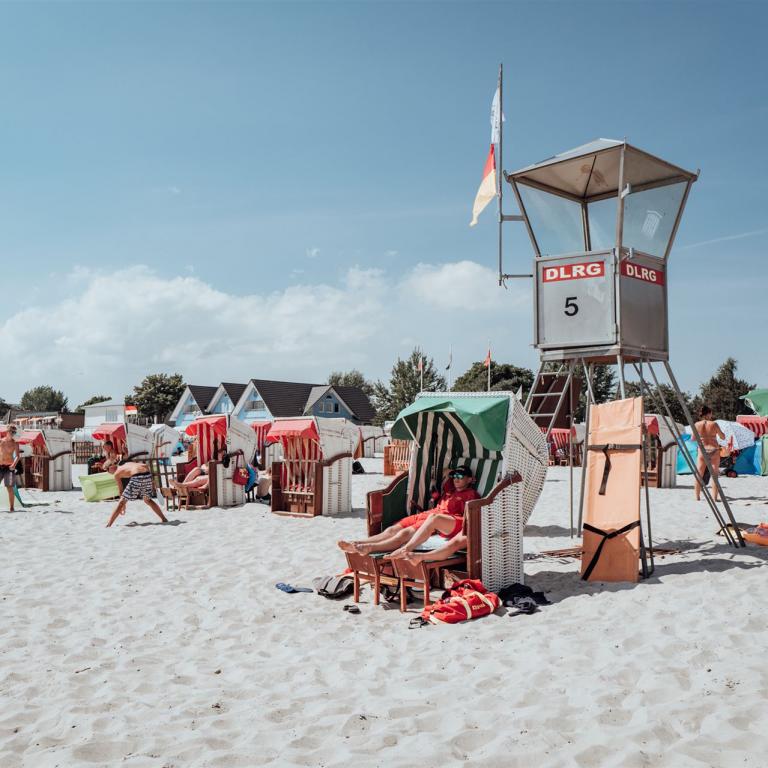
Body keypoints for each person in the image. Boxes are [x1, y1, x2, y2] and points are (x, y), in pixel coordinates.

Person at [338, 466, 480, 555]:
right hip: (426, 514)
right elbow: (446, 471)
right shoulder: (450, 488)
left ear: (470, 479)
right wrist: (452, 473)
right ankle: (357, 543)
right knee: (392, 530)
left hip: (440, 519)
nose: (456, 479)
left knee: (403, 534)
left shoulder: (470, 494)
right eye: (455, 476)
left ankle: (370, 547)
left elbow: (467, 517)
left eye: (460, 476)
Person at [106, 461, 168, 527]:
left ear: (111, 467)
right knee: (147, 500)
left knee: (121, 502)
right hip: (147, 475)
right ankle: (164, 519)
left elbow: (121, 491)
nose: (108, 472)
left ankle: (109, 525)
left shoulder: (116, 474)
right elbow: (145, 465)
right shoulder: (127, 464)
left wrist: (123, 505)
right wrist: (151, 480)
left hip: (137, 476)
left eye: (107, 470)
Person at [694, 405, 726, 502]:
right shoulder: (714, 424)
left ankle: (697, 497)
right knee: (714, 475)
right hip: (714, 450)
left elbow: (693, 438)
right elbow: (722, 437)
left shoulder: (697, 424)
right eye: (711, 413)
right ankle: (714, 498)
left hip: (702, 450)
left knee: (699, 474)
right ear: (708, 414)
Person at [0, 425, 20, 512]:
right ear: (7, 431)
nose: (13, 433)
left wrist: (14, 465)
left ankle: (12, 507)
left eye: (14, 432)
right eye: (12, 431)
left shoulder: (15, 443)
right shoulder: (1, 441)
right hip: (0, 466)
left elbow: (18, 456)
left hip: (9, 468)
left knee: (10, 487)